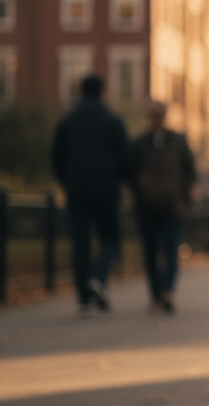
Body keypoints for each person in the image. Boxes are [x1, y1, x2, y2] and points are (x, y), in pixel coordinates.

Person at [51, 74, 128, 316]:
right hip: (106, 190)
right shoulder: (113, 121)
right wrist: (118, 181)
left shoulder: (68, 120)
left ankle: (83, 299)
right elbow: (126, 158)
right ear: (103, 92)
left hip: (77, 191)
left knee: (80, 243)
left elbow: (56, 157)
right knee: (109, 238)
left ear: (80, 92)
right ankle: (98, 277)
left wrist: (67, 182)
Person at [129, 100, 196, 314]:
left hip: (172, 205)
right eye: (152, 116)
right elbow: (131, 173)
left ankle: (166, 291)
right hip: (147, 207)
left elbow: (190, 171)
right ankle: (156, 293)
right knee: (150, 251)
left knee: (170, 249)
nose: (155, 120)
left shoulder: (177, 141)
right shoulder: (140, 143)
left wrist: (183, 197)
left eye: (158, 116)